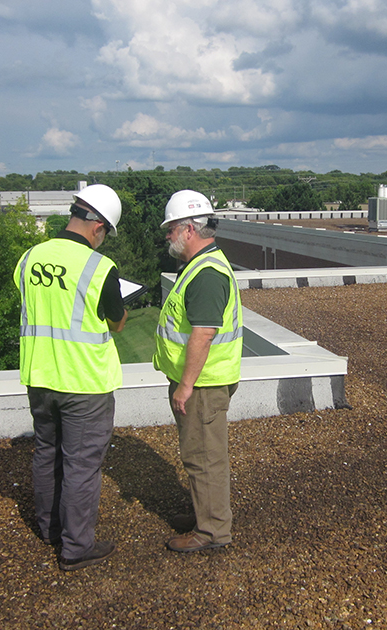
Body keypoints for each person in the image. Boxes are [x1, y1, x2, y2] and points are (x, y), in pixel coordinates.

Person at [13, 184, 128, 571]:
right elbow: (117, 321)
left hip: (39, 376)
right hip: (83, 383)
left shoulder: (31, 257)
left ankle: (50, 529)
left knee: (47, 453)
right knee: (81, 465)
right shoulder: (100, 268)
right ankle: (76, 547)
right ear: (99, 227)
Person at [153, 190, 243, 552]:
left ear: (189, 229)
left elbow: (203, 334)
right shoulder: (201, 266)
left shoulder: (205, 274)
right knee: (198, 453)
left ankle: (212, 531)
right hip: (203, 382)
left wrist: (185, 386)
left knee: (205, 457)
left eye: (171, 229)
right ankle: (203, 512)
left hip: (203, 385)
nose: (168, 236)